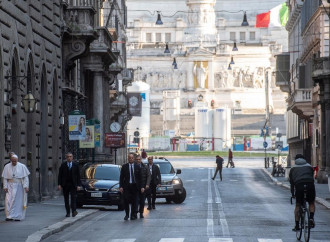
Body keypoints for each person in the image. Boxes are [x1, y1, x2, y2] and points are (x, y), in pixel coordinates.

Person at [289, 154, 316, 231]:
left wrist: (293, 194)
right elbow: (312, 177)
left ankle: (297, 225)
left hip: (299, 186)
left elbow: (292, 183)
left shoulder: (293, 168)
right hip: (310, 185)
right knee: (311, 202)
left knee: (298, 205)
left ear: (295, 160)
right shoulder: (309, 166)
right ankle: (311, 218)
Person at [2, 154, 30, 221]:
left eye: (15, 161)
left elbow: (25, 178)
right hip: (10, 185)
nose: (14, 162)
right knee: (8, 200)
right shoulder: (7, 166)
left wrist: (26, 186)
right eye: (13, 161)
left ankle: (17, 216)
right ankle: (9, 216)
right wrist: (5, 186)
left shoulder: (22, 166)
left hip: (19, 186)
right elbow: (5, 178)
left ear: (17, 160)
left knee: (18, 201)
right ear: (11, 160)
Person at [58, 152, 81, 217]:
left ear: (72, 157)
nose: (69, 158)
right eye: (68, 157)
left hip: (73, 184)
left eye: (70, 156)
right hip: (65, 184)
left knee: (73, 198)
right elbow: (60, 175)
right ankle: (68, 212)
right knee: (66, 199)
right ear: (66, 158)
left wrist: (78, 185)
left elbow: (78, 176)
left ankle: (74, 211)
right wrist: (59, 184)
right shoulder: (63, 165)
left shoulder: (75, 165)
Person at [119, 153, 142, 220]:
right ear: (128, 159)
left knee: (134, 201)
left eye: (132, 158)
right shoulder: (124, 167)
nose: (131, 159)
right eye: (129, 158)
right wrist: (121, 186)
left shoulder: (137, 166)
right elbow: (121, 177)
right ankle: (127, 214)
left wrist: (141, 186)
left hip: (135, 186)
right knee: (126, 201)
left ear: (133, 159)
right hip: (127, 186)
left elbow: (140, 177)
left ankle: (132, 215)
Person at [135, 154, 150, 218]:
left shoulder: (145, 166)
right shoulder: (134, 166)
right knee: (135, 201)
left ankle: (141, 212)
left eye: (139, 159)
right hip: (135, 187)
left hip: (143, 187)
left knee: (142, 201)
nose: (138, 161)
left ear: (141, 160)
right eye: (137, 160)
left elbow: (148, 176)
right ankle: (135, 213)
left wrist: (147, 184)